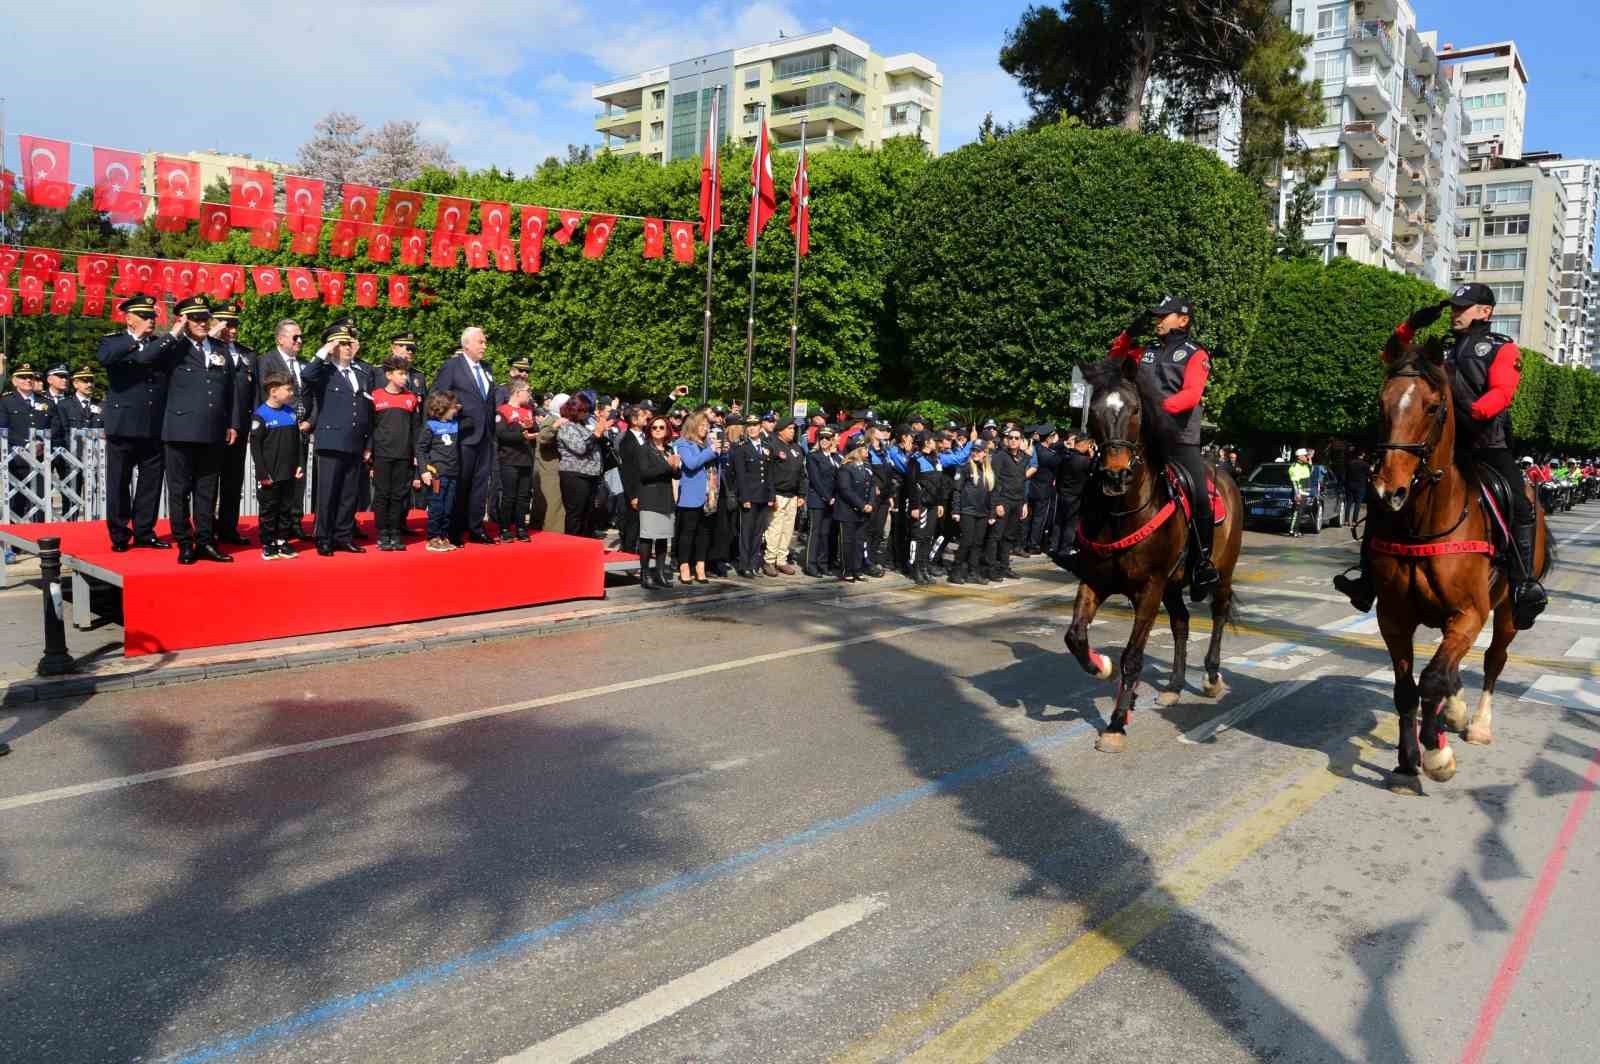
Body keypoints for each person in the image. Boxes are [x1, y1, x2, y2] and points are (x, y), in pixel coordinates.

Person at [1335, 283, 1547, 628]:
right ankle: (1367, 579)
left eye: (1463, 308)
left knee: (1521, 504)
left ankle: (1523, 584)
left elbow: (1501, 393)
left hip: (1485, 445)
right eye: (1453, 308)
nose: (1455, 314)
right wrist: (1411, 324)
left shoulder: (1502, 349)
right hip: (1435, 447)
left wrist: (1470, 412)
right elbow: (1391, 357)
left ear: (1484, 312)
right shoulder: (1438, 351)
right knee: (1381, 495)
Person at [1108, 294, 1219, 601]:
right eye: (1156, 316)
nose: (1158, 320)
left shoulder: (1196, 354)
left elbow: (1191, 395)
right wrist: (1130, 332)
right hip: (1144, 439)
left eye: (1164, 315)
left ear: (1183, 320)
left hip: (1179, 440)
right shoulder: (1146, 351)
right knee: (1103, 475)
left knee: (1200, 496)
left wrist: (1155, 408)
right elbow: (1114, 357)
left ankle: (1202, 564)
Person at [160, 296, 240, 565]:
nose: (203, 323)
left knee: (207, 489)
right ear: (183, 320)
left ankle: (205, 540)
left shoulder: (220, 348)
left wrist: (232, 422)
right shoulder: (173, 347)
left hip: (213, 429)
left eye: (205, 318)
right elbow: (152, 358)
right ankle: (184, 541)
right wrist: (174, 332)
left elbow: (230, 389)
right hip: (180, 428)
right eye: (195, 318)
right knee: (180, 489)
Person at [96, 296, 177, 550]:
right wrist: (134, 340)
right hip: (124, 424)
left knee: (151, 481)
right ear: (129, 319)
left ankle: (144, 530)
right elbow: (106, 358)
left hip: (153, 423)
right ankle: (119, 534)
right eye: (144, 317)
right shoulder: (115, 341)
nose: (150, 321)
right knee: (119, 481)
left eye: (152, 317)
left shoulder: (159, 345)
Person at [300, 322, 371, 556]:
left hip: (355, 440)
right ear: (332, 346)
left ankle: (343, 535)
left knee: (349, 493)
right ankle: (324, 537)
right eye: (342, 343)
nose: (348, 347)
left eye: (350, 343)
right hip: (331, 439)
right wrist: (325, 351)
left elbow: (366, 409)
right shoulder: (324, 372)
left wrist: (368, 443)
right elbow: (306, 375)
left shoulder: (360, 373)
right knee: (328, 492)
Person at [430, 327, 497, 545]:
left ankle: (476, 527)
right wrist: (447, 425)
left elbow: (489, 401)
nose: (484, 346)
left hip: (485, 436)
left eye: (485, 342)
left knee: (480, 484)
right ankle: (454, 530)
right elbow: (437, 396)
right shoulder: (452, 366)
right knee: (461, 483)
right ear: (466, 344)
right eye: (481, 342)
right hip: (462, 434)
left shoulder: (486, 368)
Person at [257, 319, 312, 539]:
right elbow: (264, 395)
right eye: (295, 337)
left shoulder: (305, 364)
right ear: (280, 339)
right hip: (277, 429)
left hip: (302, 429)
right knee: (275, 479)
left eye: (301, 337)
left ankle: (294, 522)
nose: (300, 341)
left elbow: (313, 397)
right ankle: (272, 529)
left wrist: (311, 421)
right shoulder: (267, 361)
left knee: (297, 476)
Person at [210, 301, 257, 546]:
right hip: (213, 426)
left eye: (235, 324)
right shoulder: (209, 350)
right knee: (208, 482)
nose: (233, 329)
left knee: (232, 482)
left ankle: (228, 528)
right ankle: (206, 529)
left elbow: (255, 392)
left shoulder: (248, 354)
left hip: (240, 427)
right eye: (227, 324)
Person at [250, 373, 305, 560]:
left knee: (286, 508)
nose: (292, 392)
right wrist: (262, 473)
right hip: (270, 474)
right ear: (273, 391)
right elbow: (256, 448)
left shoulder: (290, 413)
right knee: (269, 509)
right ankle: (268, 543)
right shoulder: (260, 415)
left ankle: (282, 541)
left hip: (288, 472)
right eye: (288, 389)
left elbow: (297, 443)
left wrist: (299, 464)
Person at [371, 355, 423, 551]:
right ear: (389, 375)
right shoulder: (376, 396)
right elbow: (371, 426)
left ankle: (395, 531)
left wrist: (417, 452)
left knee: (399, 495)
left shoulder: (410, 398)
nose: (405, 378)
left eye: (406, 373)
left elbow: (416, 429)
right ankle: (383, 533)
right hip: (383, 455)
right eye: (401, 373)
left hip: (404, 455)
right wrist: (370, 452)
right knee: (383, 494)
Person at [632, 414, 681, 589]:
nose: (658, 430)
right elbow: (645, 473)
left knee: (662, 538)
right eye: (654, 427)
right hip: (650, 497)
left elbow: (676, 474)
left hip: (666, 497)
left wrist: (675, 467)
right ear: (649, 430)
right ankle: (645, 575)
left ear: (667, 430)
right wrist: (667, 465)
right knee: (647, 537)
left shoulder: (669, 448)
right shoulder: (644, 449)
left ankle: (660, 573)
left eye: (662, 427)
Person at [672, 411, 721, 584]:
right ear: (692, 425)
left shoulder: (709, 443)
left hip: (710, 496)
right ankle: (684, 565)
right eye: (702, 425)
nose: (705, 428)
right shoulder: (683, 443)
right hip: (691, 495)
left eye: (707, 425)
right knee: (688, 532)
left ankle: (700, 565)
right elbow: (691, 464)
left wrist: (720, 451)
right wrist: (710, 451)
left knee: (704, 532)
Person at [555, 393, 611, 537]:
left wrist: (602, 431)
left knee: (588, 514)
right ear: (574, 410)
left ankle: (584, 545)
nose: (586, 414)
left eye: (588, 410)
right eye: (583, 410)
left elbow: (601, 444)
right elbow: (580, 448)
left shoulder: (586, 424)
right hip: (574, 475)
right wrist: (596, 433)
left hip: (591, 474)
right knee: (576, 514)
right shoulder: (567, 426)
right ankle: (571, 548)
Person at [417, 391, 466, 552]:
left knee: (448, 507)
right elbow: (421, 449)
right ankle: (433, 537)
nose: (455, 410)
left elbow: (471, 421)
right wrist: (424, 470)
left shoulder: (455, 424)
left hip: (453, 472)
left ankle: (443, 537)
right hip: (437, 473)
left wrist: (460, 407)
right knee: (436, 506)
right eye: (453, 408)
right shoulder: (430, 425)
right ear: (443, 407)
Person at [494, 381, 538, 542]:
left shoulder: (528, 410)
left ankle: (520, 527)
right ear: (517, 392)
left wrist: (532, 429)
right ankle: (505, 528)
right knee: (509, 496)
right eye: (527, 391)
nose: (529, 394)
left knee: (523, 496)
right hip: (509, 458)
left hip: (526, 458)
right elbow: (501, 434)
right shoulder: (502, 410)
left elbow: (535, 430)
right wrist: (522, 434)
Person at [732, 414, 773, 577]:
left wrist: (771, 496)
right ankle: (745, 564)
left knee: (758, 532)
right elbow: (741, 476)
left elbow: (769, 473)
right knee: (747, 532)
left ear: (760, 427)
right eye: (749, 426)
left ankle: (754, 563)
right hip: (750, 496)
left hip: (763, 495)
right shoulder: (742, 448)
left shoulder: (766, 445)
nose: (752, 428)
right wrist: (745, 498)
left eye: (755, 425)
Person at [764, 417, 806, 576]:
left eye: (794, 429)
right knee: (775, 528)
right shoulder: (773, 445)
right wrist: (771, 495)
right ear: (780, 430)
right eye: (789, 429)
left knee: (788, 530)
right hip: (778, 494)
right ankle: (769, 560)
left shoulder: (796, 447)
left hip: (793, 495)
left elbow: (802, 473)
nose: (793, 431)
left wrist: (801, 493)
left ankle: (781, 560)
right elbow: (768, 473)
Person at [986, 427, 1029, 580]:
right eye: (1011, 437)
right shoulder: (1000, 456)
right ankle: (990, 568)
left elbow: (1023, 481)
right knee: (996, 535)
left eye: (1017, 438)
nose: (1013, 440)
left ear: (1021, 441)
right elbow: (994, 480)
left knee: (1009, 536)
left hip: (1017, 501)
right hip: (1003, 500)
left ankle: (1004, 567)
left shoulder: (1024, 458)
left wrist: (1024, 503)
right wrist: (997, 503)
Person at [950, 440, 995, 584]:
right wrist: (956, 510)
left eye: (979, 451)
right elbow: (957, 491)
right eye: (973, 450)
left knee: (977, 543)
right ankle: (956, 571)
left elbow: (992, 494)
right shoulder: (964, 468)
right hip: (967, 511)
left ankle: (973, 572)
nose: (975, 453)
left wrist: (992, 513)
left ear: (984, 453)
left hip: (982, 513)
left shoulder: (988, 470)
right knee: (966, 542)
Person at [833, 438, 874, 582]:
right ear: (856, 451)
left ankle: (857, 569)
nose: (867, 451)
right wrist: (862, 505)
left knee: (859, 541)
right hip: (848, 511)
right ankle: (847, 569)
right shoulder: (846, 468)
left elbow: (872, 487)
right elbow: (846, 490)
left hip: (863, 511)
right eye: (864, 448)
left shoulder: (867, 467)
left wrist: (870, 503)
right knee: (847, 541)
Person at [1051, 432, 1095, 561]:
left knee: (1059, 521)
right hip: (1075, 495)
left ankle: (1054, 546)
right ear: (1084, 444)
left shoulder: (1065, 456)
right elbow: (1094, 470)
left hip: (1062, 492)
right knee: (1071, 523)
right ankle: (1065, 549)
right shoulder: (1084, 461)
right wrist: (1093, 458)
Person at [804, 427, 840, 577]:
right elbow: (815, 480)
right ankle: (811, 564)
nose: (824, 441)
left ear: (832, 440)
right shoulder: (814, 457)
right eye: (822, 438)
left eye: (827, 438)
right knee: (815, 533)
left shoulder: (835, 457)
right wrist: (827, 497)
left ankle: (823, 563)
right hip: (818, 499)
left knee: (826, 534)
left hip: (832, 501)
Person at [1287, 448, 1311, 537]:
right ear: (1300, 457)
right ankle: (1293, 530)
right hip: (1300, 493)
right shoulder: (1294, 467)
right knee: (1297, 512)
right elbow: (1295, 482)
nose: (1306, 457)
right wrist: (1297, 494)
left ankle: (1296, 530)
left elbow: (1311, 469)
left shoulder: (1305, 465)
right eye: (1305, 456)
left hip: (1305, 492)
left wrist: (1309, 459)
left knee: (1300, 512)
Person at [1342, 448, 1370, 527]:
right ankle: (1354, 521)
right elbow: (1369, 476)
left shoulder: (1350, 463)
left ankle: (1346, 520)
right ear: (1362, 455)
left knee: (1349, 503)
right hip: (1360, 486)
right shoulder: (1365, 465)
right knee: (1358, 504)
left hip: (1350, 485)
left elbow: (1346, 474)